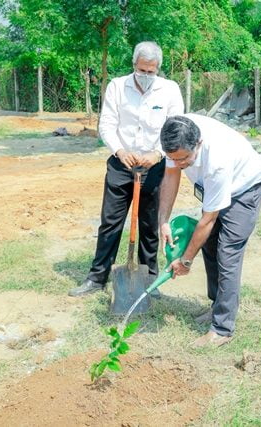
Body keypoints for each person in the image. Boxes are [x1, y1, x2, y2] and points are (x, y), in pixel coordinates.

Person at [68, 41, 184, 296]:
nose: (146, 77)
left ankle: (149, 279)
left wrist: (157, 153)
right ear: (134, 65)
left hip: (153, 167)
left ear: (158, 69)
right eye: (142, 71)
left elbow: (175, 127)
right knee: (110, 223)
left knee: (149, 225)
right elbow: (107, 124)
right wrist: (120, 151)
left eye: (151, 72)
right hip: (121, 165)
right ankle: (97, 278)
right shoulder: (117, 87)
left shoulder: (170, 90)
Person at [158, 114, 261, 347]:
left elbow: (207, 220)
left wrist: (185, 261)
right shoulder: (174, 134)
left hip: (245, 188)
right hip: (214, 187)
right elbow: (170, 175)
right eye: (173, 158)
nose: (178, 164)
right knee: (209, 246)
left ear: (198, 144)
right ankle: (216, 305)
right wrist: (164, 221)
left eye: (184, 159)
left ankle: (222, 328)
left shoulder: (217, 160)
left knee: (227, 252)